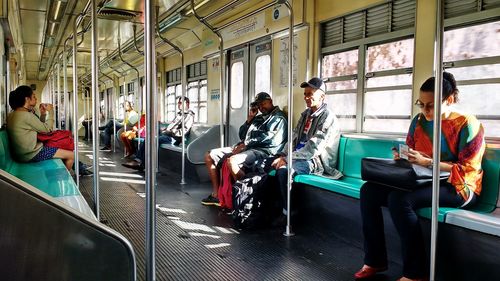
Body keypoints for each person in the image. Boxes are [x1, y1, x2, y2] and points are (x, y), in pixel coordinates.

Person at [355, 72, 485, 281]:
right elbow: (411, 149)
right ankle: (375, 260)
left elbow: (467, 169)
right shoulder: (419, 121)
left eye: (430, 105)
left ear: (449, 100)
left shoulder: (468, 124)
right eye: (421, 104)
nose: (424, 111)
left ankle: (416, 273)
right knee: (368, 191)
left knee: (399, 200)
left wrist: (429, 162)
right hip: (423, 179)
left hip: (460, 187)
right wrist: (403, 155)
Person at [271, 77, 342, 217]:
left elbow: (313, 148)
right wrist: (282, 155)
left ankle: (288, 214)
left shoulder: (328, 118)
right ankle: (270, 209)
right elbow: (294, 137)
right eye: (305, 94)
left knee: (284, 172)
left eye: (310, 94)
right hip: (298, 157)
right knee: (268, 164)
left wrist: (287, 159)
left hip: (316, 161)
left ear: (322, 96)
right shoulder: (306, 115)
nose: (306, 97)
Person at [201, 92, 288, 206]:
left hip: (264, 151)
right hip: (246, 147)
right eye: (259, 106)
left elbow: (271, 140)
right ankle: (217, 195)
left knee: (232, 161)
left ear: (270, 101)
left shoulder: (278, 118)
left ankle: (244, 195)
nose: (261, 108)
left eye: (264, 104)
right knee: (209, 156)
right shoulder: (258, 118)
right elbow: (242, 135)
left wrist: (246, 144)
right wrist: (250, 119)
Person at [6, 85, 74, 170]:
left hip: (20, 154)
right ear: (27, 99)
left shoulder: (12, 114)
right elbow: (48, 130)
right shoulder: (26, 115)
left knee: (61, 148)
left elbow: (39, 127)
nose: (36, 98)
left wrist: (43, 114)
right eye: (33, 96)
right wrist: (51, 111)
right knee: (71, 155)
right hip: (30, 154)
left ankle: (75, 168)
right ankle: (64, 180)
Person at [122, 96, 195, 171]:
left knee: (151, 140)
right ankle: (140, 162)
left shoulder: (189, 115)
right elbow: (173, 125)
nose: (179, 105)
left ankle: (140, 162)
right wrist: (165, 130)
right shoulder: (179, 114)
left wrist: (171, 132)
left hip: (175, 138)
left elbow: (184, 130)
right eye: (178, 103)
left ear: (187, 104)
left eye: (180, 103)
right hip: (167, 135)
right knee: (148, 139)